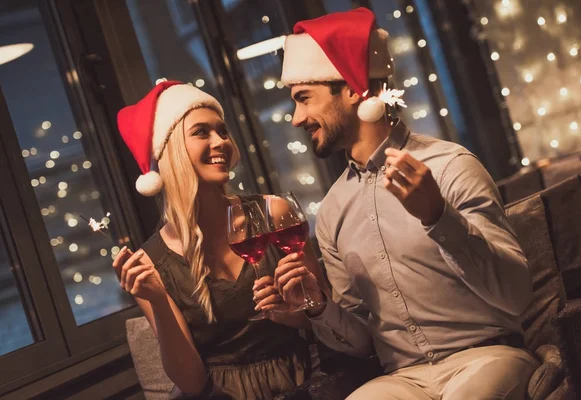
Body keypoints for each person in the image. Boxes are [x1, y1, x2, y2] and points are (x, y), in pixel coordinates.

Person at [274, 7, 539, 399]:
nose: (297, 118)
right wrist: (317, 305)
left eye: (303, 98)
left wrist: (438, 216)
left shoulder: (450, 166)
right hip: (403, 380)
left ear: (351, 88)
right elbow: (362, 341)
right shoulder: (331, 212)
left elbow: (517, 296)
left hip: (488, 358)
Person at [112, 80, 328, 399]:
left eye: (222, 131)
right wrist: (157, 299)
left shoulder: (274, 213)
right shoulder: (149, 264)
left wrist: (292, 314)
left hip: (303, 381)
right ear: (170, 152)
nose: (221, 142)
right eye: (202, 132)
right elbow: (191, 382)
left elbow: (326, 321)